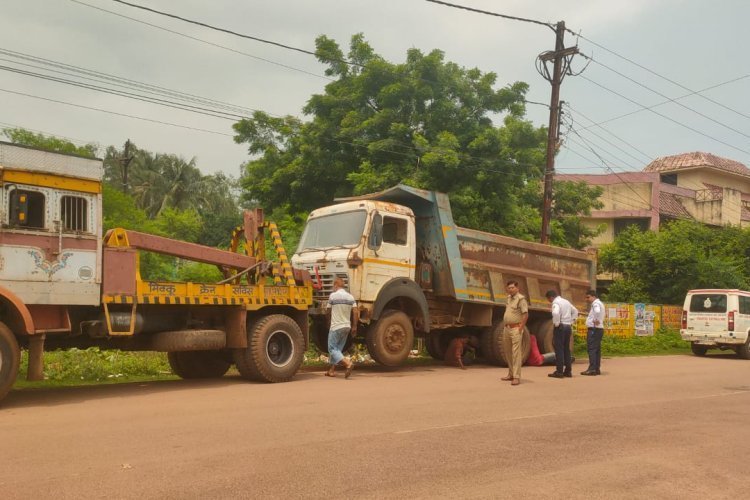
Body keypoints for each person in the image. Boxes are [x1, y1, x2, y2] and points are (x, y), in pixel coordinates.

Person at [325, 277, 359, 378]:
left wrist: (328, 322)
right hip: (346, 327)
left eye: (333, 286)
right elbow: (356, 311)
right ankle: (331, 370)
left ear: (336, 285)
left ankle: (348, 363)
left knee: (332, 349)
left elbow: (328, 311)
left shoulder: (333, 296)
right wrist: (354, 326)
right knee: (337, 350)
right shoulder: (350, 297)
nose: (333, 288)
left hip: (336, 326)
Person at [500, 280, 528, 386]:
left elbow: (525, 314)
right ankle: (510, 374)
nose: (510, 289)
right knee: (508, 352)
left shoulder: (521, 299)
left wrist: (520, 328)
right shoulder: (508, 298)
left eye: (512, 287)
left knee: (516, 353)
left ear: (517, 288)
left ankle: (516, 377)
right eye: (509, 288)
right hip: (507, 328)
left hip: (516, 328)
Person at [545, 290, 578, 379]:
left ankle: (559, 372)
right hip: (568, 326)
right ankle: (568, 371)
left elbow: (555, 313)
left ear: (551, 297)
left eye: (549, 300)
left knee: (559, 350)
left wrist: (556, 323)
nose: (550, 302)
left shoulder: (556, 302)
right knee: (566, 349)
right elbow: (575, 311)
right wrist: (571, 321)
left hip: (560, 327)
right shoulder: (566, 301)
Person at [582, 289, 605, 376]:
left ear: (594, 296)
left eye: (588, 297)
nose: (587, 299)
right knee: (596, 350)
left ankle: (592, 369)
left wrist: (596, 320)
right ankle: (596, 369)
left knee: (591, 349)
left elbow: (597, 311)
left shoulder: (595, 304)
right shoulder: (600, 303)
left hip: (594, 329)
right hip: (598, 329)